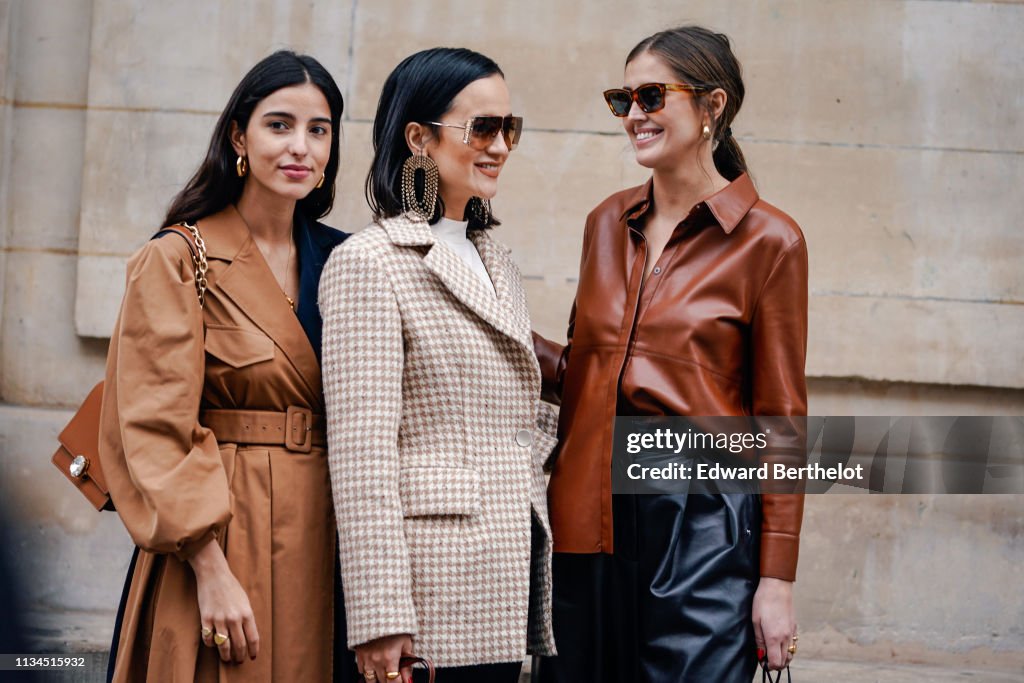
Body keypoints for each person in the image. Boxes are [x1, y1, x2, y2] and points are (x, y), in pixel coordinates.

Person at [533, 26, 807, 682]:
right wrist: (492, 328)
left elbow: (782, 420)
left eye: (651, 96)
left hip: (701, 530)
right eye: (621, 99)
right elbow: (586, 372)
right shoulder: (606, 221)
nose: (633, 115)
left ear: (713, 107)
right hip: (585, 519)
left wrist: (776, 580)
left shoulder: (770, 241)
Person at [99, 50, 348, 682]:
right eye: (279, 124)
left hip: (332, 532)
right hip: (221, 533)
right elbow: (153, 431)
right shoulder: (179, 258)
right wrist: (209, 569)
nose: (301, 147)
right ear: (239, 135)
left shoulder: (350, 262)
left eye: (319, 130)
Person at [318, 47, 556, 683]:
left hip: (503, 573)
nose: (500, 145)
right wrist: (378, 615)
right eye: (481, 127)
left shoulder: (498, 263)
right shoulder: (369, 262)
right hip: (426, 595)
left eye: (509, 128)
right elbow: (361, 456)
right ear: (418, 138)